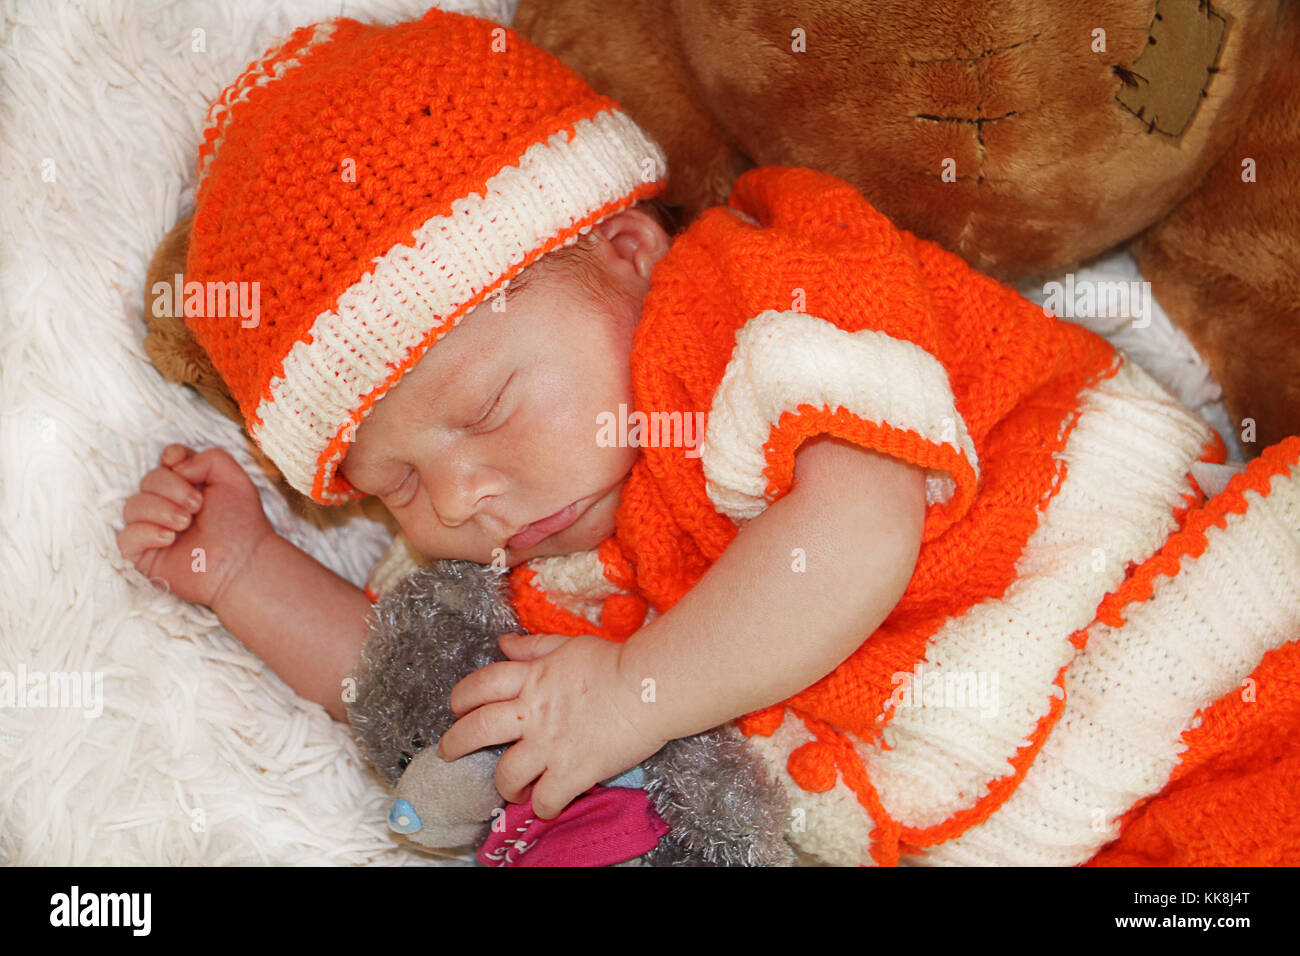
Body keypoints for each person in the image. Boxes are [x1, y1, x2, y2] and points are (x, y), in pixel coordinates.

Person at [118, 7, 1300, 866]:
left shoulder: (753, 291)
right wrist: (244, 571)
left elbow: (855, 525)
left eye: (484, 408)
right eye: (391, 486)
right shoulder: (528, 555)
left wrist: (633, 692)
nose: (464, 493)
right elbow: (427, 694)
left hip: (1207, 658)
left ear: (623, 251)